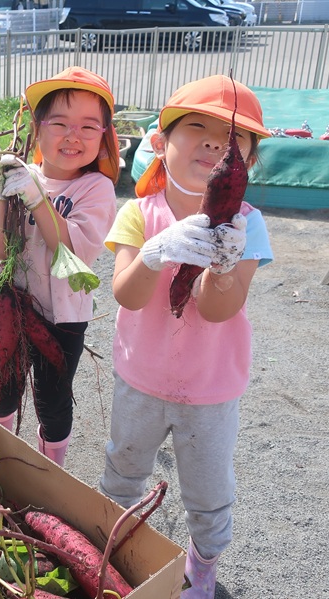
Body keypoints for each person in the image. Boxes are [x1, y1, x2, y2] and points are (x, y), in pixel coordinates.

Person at [97, 75, 273, 599]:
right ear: (159, 142)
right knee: (123, 471)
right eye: (197, 127)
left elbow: (218, 310)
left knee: (208, 490)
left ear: (249, 161)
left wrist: (222, 267)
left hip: (210, 390)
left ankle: (203, 564)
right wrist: (157, 251)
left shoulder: (248, 226)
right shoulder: (138, 213)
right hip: (140, 379)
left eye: (234, 138)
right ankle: (119, 548)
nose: (217, 143)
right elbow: (127, 295)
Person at [0, 66, 120, 468]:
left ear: (104, 136)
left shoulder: (96, 189)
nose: (73, 136)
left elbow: (71, 251)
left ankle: (49, 470)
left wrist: (38, 197)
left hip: (63, 318)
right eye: (59, 123)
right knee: (1, 390)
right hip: (12, 307)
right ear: (37, 129)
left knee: (52, 401)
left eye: (88, 127)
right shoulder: (20, 177)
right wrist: (0, 193)